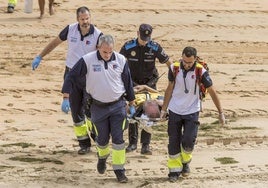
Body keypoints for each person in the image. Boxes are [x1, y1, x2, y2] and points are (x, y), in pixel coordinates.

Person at [62, 34, 135, 183]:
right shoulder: (87, 60)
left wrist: (132, 102)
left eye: (110, 52)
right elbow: (71, 76)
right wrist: (66, 96)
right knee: (101, 140)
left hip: (117, 106)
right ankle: (102, 157)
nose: (107, 55)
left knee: (118, 139)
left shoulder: (121, 60)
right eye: (104, 52)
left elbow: (128, 81)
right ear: (98, 48)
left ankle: (119, 170)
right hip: (97, 107)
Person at [31, 6, 103, 155]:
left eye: (87, 18)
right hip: (71, 74)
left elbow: (102, 56)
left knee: (91, 111)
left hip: (89, 77)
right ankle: (84, 143)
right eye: (82, 19)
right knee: (76, 112)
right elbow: (54, 43)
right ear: (77, 19)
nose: (85, 21)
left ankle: (97, 137)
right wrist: (40, 56)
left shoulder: (97, 34)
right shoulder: (70, 29)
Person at [160, 46, 226, 182]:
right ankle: (173, 171)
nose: (186, 64)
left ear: (195, 59)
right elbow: (169, 89)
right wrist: (163, 110)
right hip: (175, 110)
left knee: (189, 140)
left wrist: (221, 112)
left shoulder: (200, 71)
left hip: (192, 110)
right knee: (173, 141)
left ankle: (185, 162)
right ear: (182, 57)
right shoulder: (174, 68)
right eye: (184, 61)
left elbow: (212, 91)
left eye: (189, 62)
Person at [119, 23, 172, 155]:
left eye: (146, 39)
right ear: (137, 34)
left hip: (149, 83)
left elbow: (169, 63)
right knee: (133, 110)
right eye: (142, 38)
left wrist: (175, 77)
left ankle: (145, 145)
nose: (144, 41)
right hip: (133, 82)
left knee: (150, 111)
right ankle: (132, 143)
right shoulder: (128, 46)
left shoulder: (155, 47)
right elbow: (118, 62)